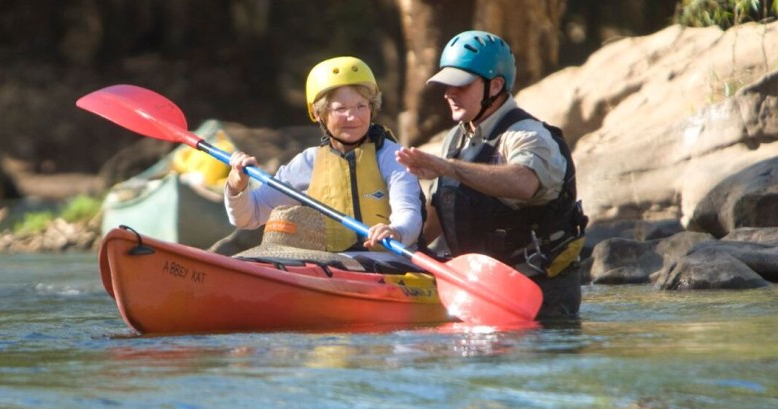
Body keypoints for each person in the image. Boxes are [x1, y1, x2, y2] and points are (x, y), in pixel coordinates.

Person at [395, 30, 588, 319]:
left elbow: (524, 183)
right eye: (447, 85)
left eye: (461, 85)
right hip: (479, 286)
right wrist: (397, 238)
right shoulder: (456, 139)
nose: (449, 93)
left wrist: (447, 167)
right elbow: (437, 213)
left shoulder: (530, 136)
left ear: (495, 86)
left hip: (537, 291)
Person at [224, 56, 424, 254]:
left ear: (372, 108)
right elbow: (250, 216)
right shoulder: (308, 163)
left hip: (389, 263)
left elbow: (409, 212)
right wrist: (237, 186)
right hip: (330, 266)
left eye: (361, 106)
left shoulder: (392, 156)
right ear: (319, 113)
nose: (353, 117)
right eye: (341, 108)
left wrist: (396, 231)